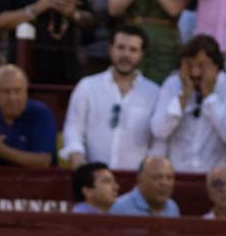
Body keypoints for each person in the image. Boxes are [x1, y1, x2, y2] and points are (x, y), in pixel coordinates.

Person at [60, 25, 159, 170]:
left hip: (137, 179)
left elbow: (157, 139)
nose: (126, 55)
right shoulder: (87, 86)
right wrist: (78, 159)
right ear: (110, 49)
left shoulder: (154, 92)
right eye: (120, 47)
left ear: (141, 54)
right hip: (94, 179)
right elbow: (73, 128)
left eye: (133, 50)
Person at [150, 34, 226, 172]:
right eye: (190, 65)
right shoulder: (173, 84)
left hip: (218, 179)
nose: (195, 73)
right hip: (178, 175)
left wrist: (209, 96)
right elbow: (159, 130)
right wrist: (183, 97)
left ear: (216, 66)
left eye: (202, 66)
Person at [109, 155, 180, 216]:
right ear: (140, 179)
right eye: (157, 177)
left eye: (169, 178)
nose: (164, 183)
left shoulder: (172, 208)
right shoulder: (119, 208)